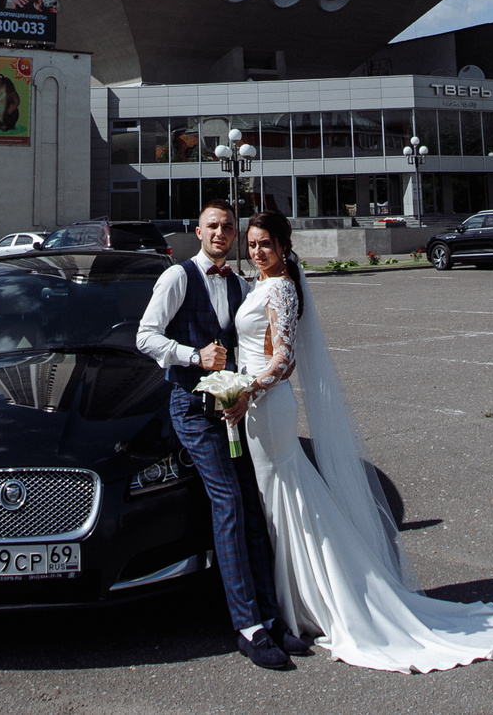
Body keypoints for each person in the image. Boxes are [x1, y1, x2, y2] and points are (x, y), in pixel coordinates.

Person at [226, 210, 493, 673]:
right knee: (281, 501)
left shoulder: (278, 287)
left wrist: (246, 390)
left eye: (266, 244)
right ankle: (297, 599)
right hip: (255, 406)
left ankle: (312, 602)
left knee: (285, 499)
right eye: (253, 244)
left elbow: (284, 361)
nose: (258, 252)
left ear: (283, 246)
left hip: (266, 405)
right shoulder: (262, 283)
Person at [133, 202, 299, 670]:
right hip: (191, 408)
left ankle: (271, 617)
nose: (221, 232)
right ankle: (247, 626)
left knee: (249, 504)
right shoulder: (177, 277)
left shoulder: (241, 283)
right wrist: (192, 355)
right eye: (213, 226)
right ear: (198, 232)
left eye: (229, 226)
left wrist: (250, 388)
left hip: (232, 409)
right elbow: (145, 337)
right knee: (227, 502)